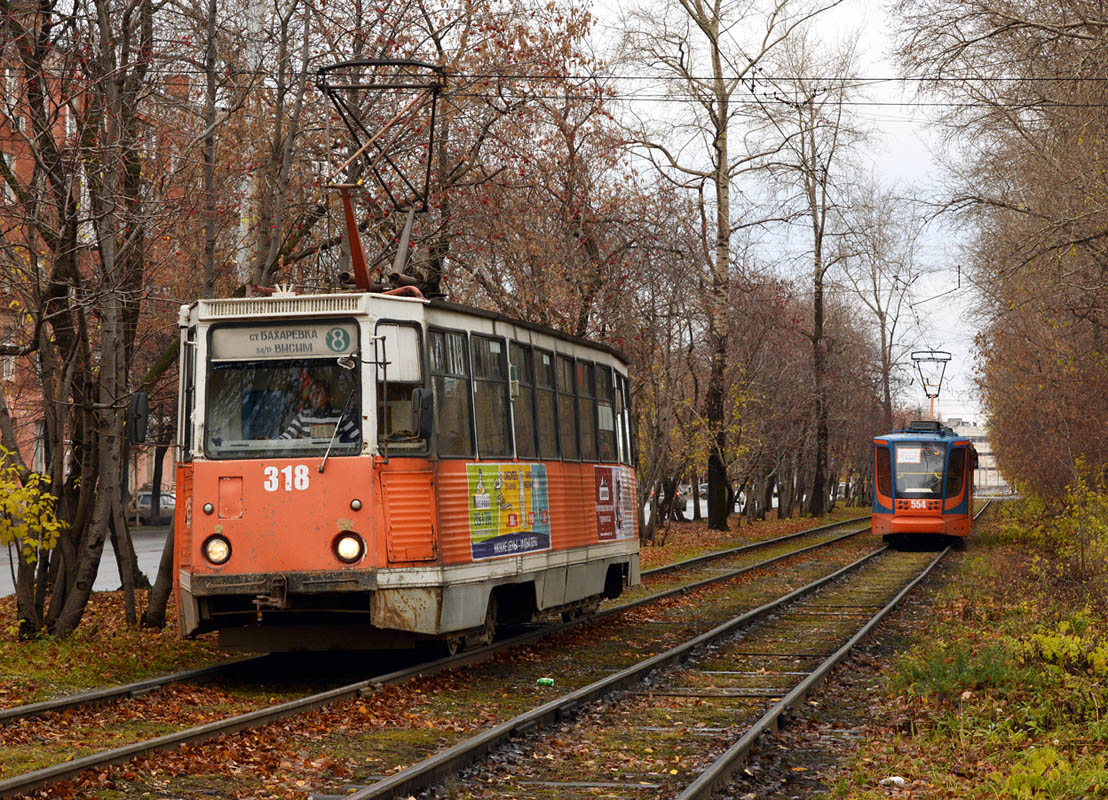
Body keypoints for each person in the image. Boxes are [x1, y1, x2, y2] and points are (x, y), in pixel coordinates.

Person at [280, 378, 360, 443]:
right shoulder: (302, 416)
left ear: (328, 397)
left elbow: (358, 438)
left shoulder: (340, 416)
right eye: (312, 393)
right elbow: (286, 437)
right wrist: (269, 443)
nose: (314, 396)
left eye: (318, 393)